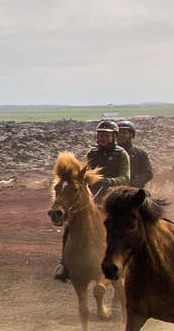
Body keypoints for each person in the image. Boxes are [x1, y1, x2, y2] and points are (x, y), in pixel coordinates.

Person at [59, 120, 131, 283]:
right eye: (101, 135)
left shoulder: (121, 154)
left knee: (124, 227)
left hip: (114, 198)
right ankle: (66, 265)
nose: (103, 138)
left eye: (106, 135)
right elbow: (84, 174)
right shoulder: (92, 154)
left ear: (114, 137)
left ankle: (127, 262)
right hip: (94, 197)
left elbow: (126, 177)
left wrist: (111, 181)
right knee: (70, 226)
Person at [115, 120, 154, 190]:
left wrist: (133, 185)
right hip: (113, 189)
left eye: (124, 133)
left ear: (131, 135)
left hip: (134, 190)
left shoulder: (140, 154)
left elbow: (148, 173)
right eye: (119, 133)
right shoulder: (110, 153)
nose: (121, 135)